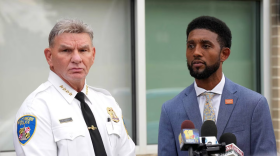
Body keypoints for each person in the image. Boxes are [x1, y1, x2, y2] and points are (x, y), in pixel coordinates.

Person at [13, 19, 135, 156]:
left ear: (93, 55)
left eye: (83, 50)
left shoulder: (107, 102)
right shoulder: (36, 109)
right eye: (66, 50)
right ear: (49, 57)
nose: (77, 59)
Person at [158, 16, 277, 156]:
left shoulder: (254, 105)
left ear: (224, 54)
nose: (196, 52)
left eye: (206, 45)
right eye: (191, 46)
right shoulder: (170, 110)